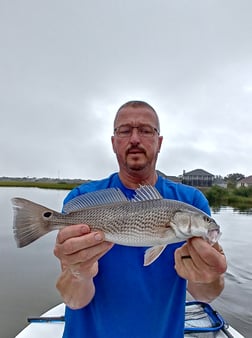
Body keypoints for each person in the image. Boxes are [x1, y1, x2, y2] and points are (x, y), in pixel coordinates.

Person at [54, 100, 227, 338]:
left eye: (146, 130)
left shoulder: (192, 201)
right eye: (125, 131)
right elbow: (73, 300)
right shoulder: (83, 198)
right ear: (114, 143)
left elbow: (205, 295)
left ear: (159, 142)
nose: (135, 139)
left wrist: (210, 275)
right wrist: (78, 273)